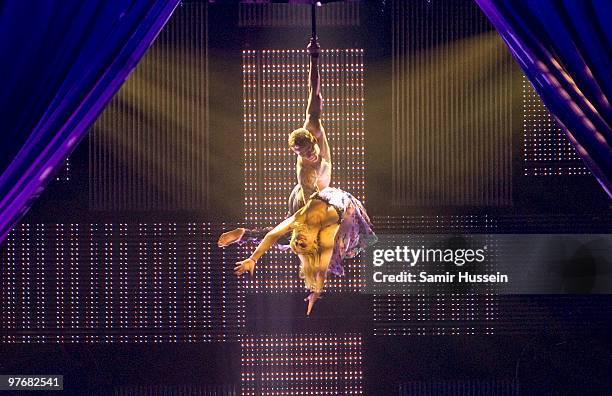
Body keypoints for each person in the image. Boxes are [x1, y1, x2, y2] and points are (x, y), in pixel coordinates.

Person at [217, 37, 330, 248]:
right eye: (304, 154)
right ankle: (246, 234)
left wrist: (314, 57)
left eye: (311, 150)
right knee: (290, 237)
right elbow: (308, 206)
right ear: (296, 153)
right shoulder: (304, 172)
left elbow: (314, 91)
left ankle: (246, 234)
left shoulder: (313, 125)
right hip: (304, 197)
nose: (310, 156)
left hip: (318, 192)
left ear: (314, 138)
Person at [233, 186, 377, 315]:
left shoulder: (300, 219)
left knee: (283, 237)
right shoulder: (327, 233)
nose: (299, 240)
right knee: (337, 251)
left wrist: (253, 259)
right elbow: (322, 271)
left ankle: (245, 235)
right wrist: (316, 292)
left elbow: (272, 235)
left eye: (296, 241)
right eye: (303, 245)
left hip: (326, 195)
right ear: (315, 242)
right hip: (346, 209)